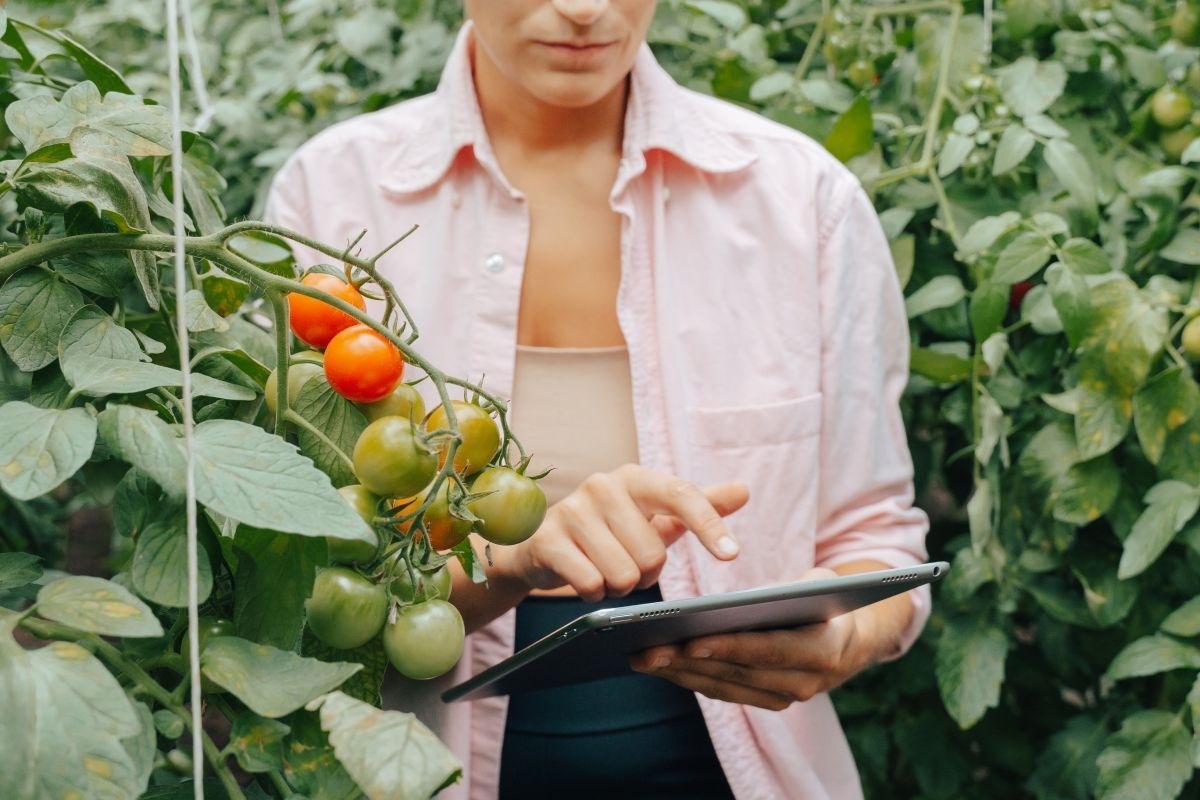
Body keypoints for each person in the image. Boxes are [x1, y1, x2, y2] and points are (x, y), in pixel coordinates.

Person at [265, 1, 931, 798]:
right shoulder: (335, 201)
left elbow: (874, 532)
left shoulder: (798, 202)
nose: (584, 8)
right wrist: (511, 561)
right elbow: (297, 575)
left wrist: (849, 637)